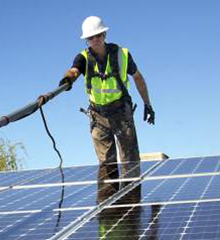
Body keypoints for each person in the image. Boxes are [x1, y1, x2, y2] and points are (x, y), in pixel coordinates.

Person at [59, 16, 155, 167]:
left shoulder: (121, 54)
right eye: (91, 37)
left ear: (104, 35)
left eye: (98, 35)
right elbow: (74, 71)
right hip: (98, 116)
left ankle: (131, 191)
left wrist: (147, 104)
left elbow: (138, 78)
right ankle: (110, 192)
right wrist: (67, 80)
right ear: (87, 40)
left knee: (130, 161)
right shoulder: (83, 58)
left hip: (121, 112)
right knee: (106, 164)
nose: (95, 40)